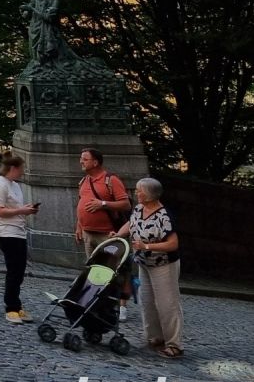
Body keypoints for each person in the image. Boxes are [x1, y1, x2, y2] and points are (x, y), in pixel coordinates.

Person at [117, 177, 183, 359]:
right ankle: (155, 337)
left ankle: (174, 344)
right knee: (146, 300)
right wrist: (118, 234)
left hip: (163, 264)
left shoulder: (164, 216)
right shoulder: (139, 208)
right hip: (144, 263)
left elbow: (173, 244)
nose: (136, 193)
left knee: (167, 304)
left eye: (140, 191)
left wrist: (147, 247)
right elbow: (131, 224)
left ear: (150, 195)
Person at [0, 153, 39, 324]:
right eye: (21, 168)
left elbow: (13, 208)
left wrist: (25, 209)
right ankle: (11, 307)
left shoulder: (15, 186)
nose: (22, 172)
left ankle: (16, 305)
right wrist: (22, 211)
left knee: (19, 271)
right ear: (13, 168)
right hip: (7, 232)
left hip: (18, 230)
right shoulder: (0, 185)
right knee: (14, 270)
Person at [74, 147, 130, 258]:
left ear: (95, 163)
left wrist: (103, 204)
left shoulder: (111, 180)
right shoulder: (84, 181)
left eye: (85, 159)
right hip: (88, 234)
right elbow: (81, 204)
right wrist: (79, 226)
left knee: (111, 267)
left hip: (107, 235)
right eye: (81, 159)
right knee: (93, 269)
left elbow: (126, 205)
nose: (81, 162)